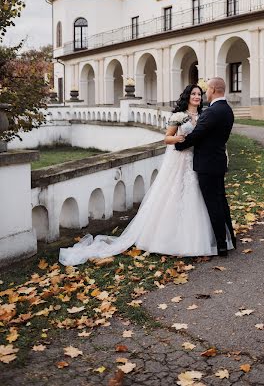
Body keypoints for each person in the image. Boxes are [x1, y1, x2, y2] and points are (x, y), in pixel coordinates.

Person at [59, 84, 233, 266]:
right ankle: (169, 239)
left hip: (198, 162)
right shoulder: (178, 116)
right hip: (180, 160)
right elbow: (167, 138)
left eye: (199, 94)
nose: (197, 97)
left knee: (198, 198)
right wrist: (179, 139)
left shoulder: (205, 115)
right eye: (193, 94)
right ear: (187, 96)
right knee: (174, 194)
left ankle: (203, 238)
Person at [175, 77, 236, 257]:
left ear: (213, 89)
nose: (204, 93)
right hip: (218, 162)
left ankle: (221, 244)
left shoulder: (212, 112)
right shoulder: (228, 110)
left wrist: (179, 145)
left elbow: (197, 135)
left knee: (213, 203)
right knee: (221, 201)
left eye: (206, 89)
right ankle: (230, 237)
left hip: (207, 164)